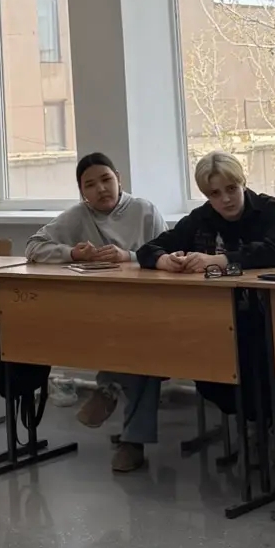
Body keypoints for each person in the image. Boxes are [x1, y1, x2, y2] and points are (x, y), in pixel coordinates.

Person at [119, 151, 275, 475]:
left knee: (255, 359)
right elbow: (149, 249)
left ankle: (263, 428)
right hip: (213, 321)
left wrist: (220, 261)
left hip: (263, 317)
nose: (225, 199)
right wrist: (165, 260)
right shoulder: (202, 218)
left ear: (242, 183)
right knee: (202, 362)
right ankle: (249, 424)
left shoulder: (267, 209)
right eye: (215, 193)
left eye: (231, 189)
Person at [24, 151, 165, 434]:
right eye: (90, 185)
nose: (101, 189)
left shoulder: (144, 211)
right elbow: (33, 247)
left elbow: (170, 254)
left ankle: (109, 388)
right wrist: (73, 253)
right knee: (136, 345)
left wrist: (129, 256)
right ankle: (131, 437)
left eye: (106, 180)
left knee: (143, 342)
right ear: (82, 192)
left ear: (118, 179)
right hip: (105, 311)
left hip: (151, 304)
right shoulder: (79, 215)